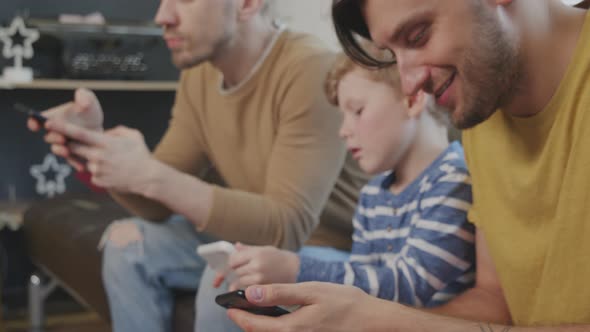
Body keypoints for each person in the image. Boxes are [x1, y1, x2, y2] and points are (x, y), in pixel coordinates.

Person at [227, 0, 590, 331]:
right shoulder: (483, 108)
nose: (410, 82)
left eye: (418, 35)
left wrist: (381, 321)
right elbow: (495, 302)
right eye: (391, 54)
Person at [27, 0, 368, 331]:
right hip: (250, 237)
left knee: (228, 281)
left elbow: (287, 227)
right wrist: (96, 150)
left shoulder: (309, 68)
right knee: (126, 244)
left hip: (329, 249)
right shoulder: (200, 75)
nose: (162, 15)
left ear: (247, 4)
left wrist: (150, 174)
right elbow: (155, 205)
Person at [202, 52, 476, 331]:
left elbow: (407, 286)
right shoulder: (373, 195)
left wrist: (294, 268)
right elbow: (362, 291)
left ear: (413, 99)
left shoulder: (454, 180)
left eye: (357, 111)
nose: (343, 131)